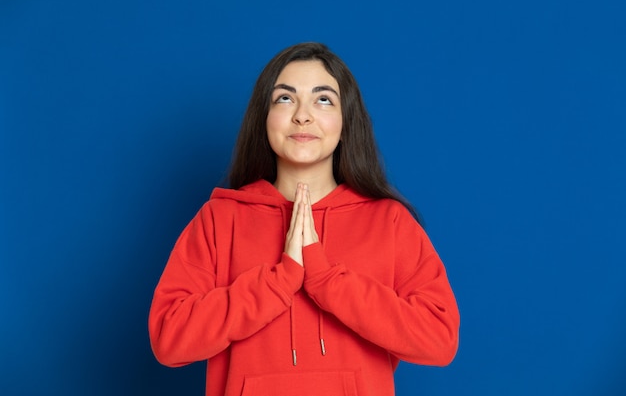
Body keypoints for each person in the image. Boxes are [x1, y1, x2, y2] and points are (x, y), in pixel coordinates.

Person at [148, 42, 460, 396]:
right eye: (285, 98)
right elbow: (168, 338)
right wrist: (278, 282)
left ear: (345, 122)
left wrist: (328, 280)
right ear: (263, 117)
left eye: (323, 99)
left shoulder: (389, 221)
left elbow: (440, 338)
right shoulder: (220, 219)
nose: (302, 115)